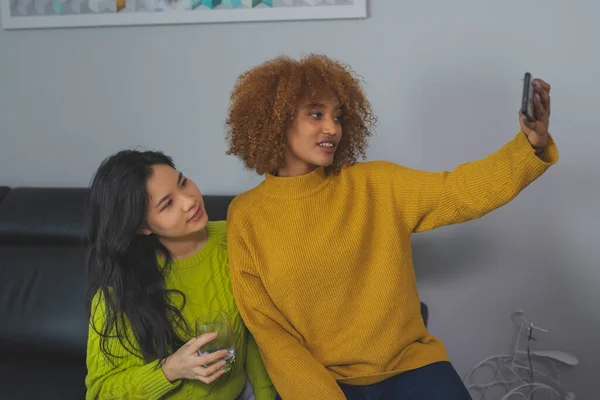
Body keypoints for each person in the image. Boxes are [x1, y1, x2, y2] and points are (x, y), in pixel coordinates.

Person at [224, 54, 558, 400]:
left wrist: (529, 146)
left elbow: (460, 191)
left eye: (337, 116)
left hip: (411, 366)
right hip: (318, 383)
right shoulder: (247, 216)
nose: (332, 128)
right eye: (316, 114)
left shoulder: (375, 184)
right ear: (276, 120)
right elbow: (269, 330)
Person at [84, 150, 276, 400]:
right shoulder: (119, 292)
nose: (189, 201)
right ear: (142, 227)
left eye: (183, 182)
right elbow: (100, 393)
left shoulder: (234, 237)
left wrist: (266, 395)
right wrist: (169, 370)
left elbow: (256, 330)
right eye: (168, 204)